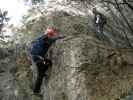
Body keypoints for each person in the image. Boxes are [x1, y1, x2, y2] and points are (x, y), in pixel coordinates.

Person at [29, 27, 65, 95]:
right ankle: (36, 91)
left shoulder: (40, 38)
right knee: (40, 75)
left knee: (48, 62)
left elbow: (33, 44)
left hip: (38, 58)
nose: (52, 36)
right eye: (51, 34)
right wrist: (61, 37)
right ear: (49, 34)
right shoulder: (46, 38)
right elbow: (53, 39)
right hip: (39, 59)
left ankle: (43, 72)